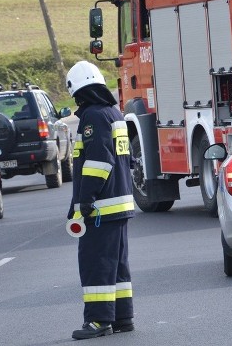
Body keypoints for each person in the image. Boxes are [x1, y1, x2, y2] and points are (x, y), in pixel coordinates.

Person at [66, 61, 136, 340]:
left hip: (101, 207)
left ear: (80, 92)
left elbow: (98, 161)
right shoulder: (113, 112)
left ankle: (98, 321)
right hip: (119, 203)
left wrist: (86, 200)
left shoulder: (93, 116)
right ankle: (122, 316)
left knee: (96, 263)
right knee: (117, 263)